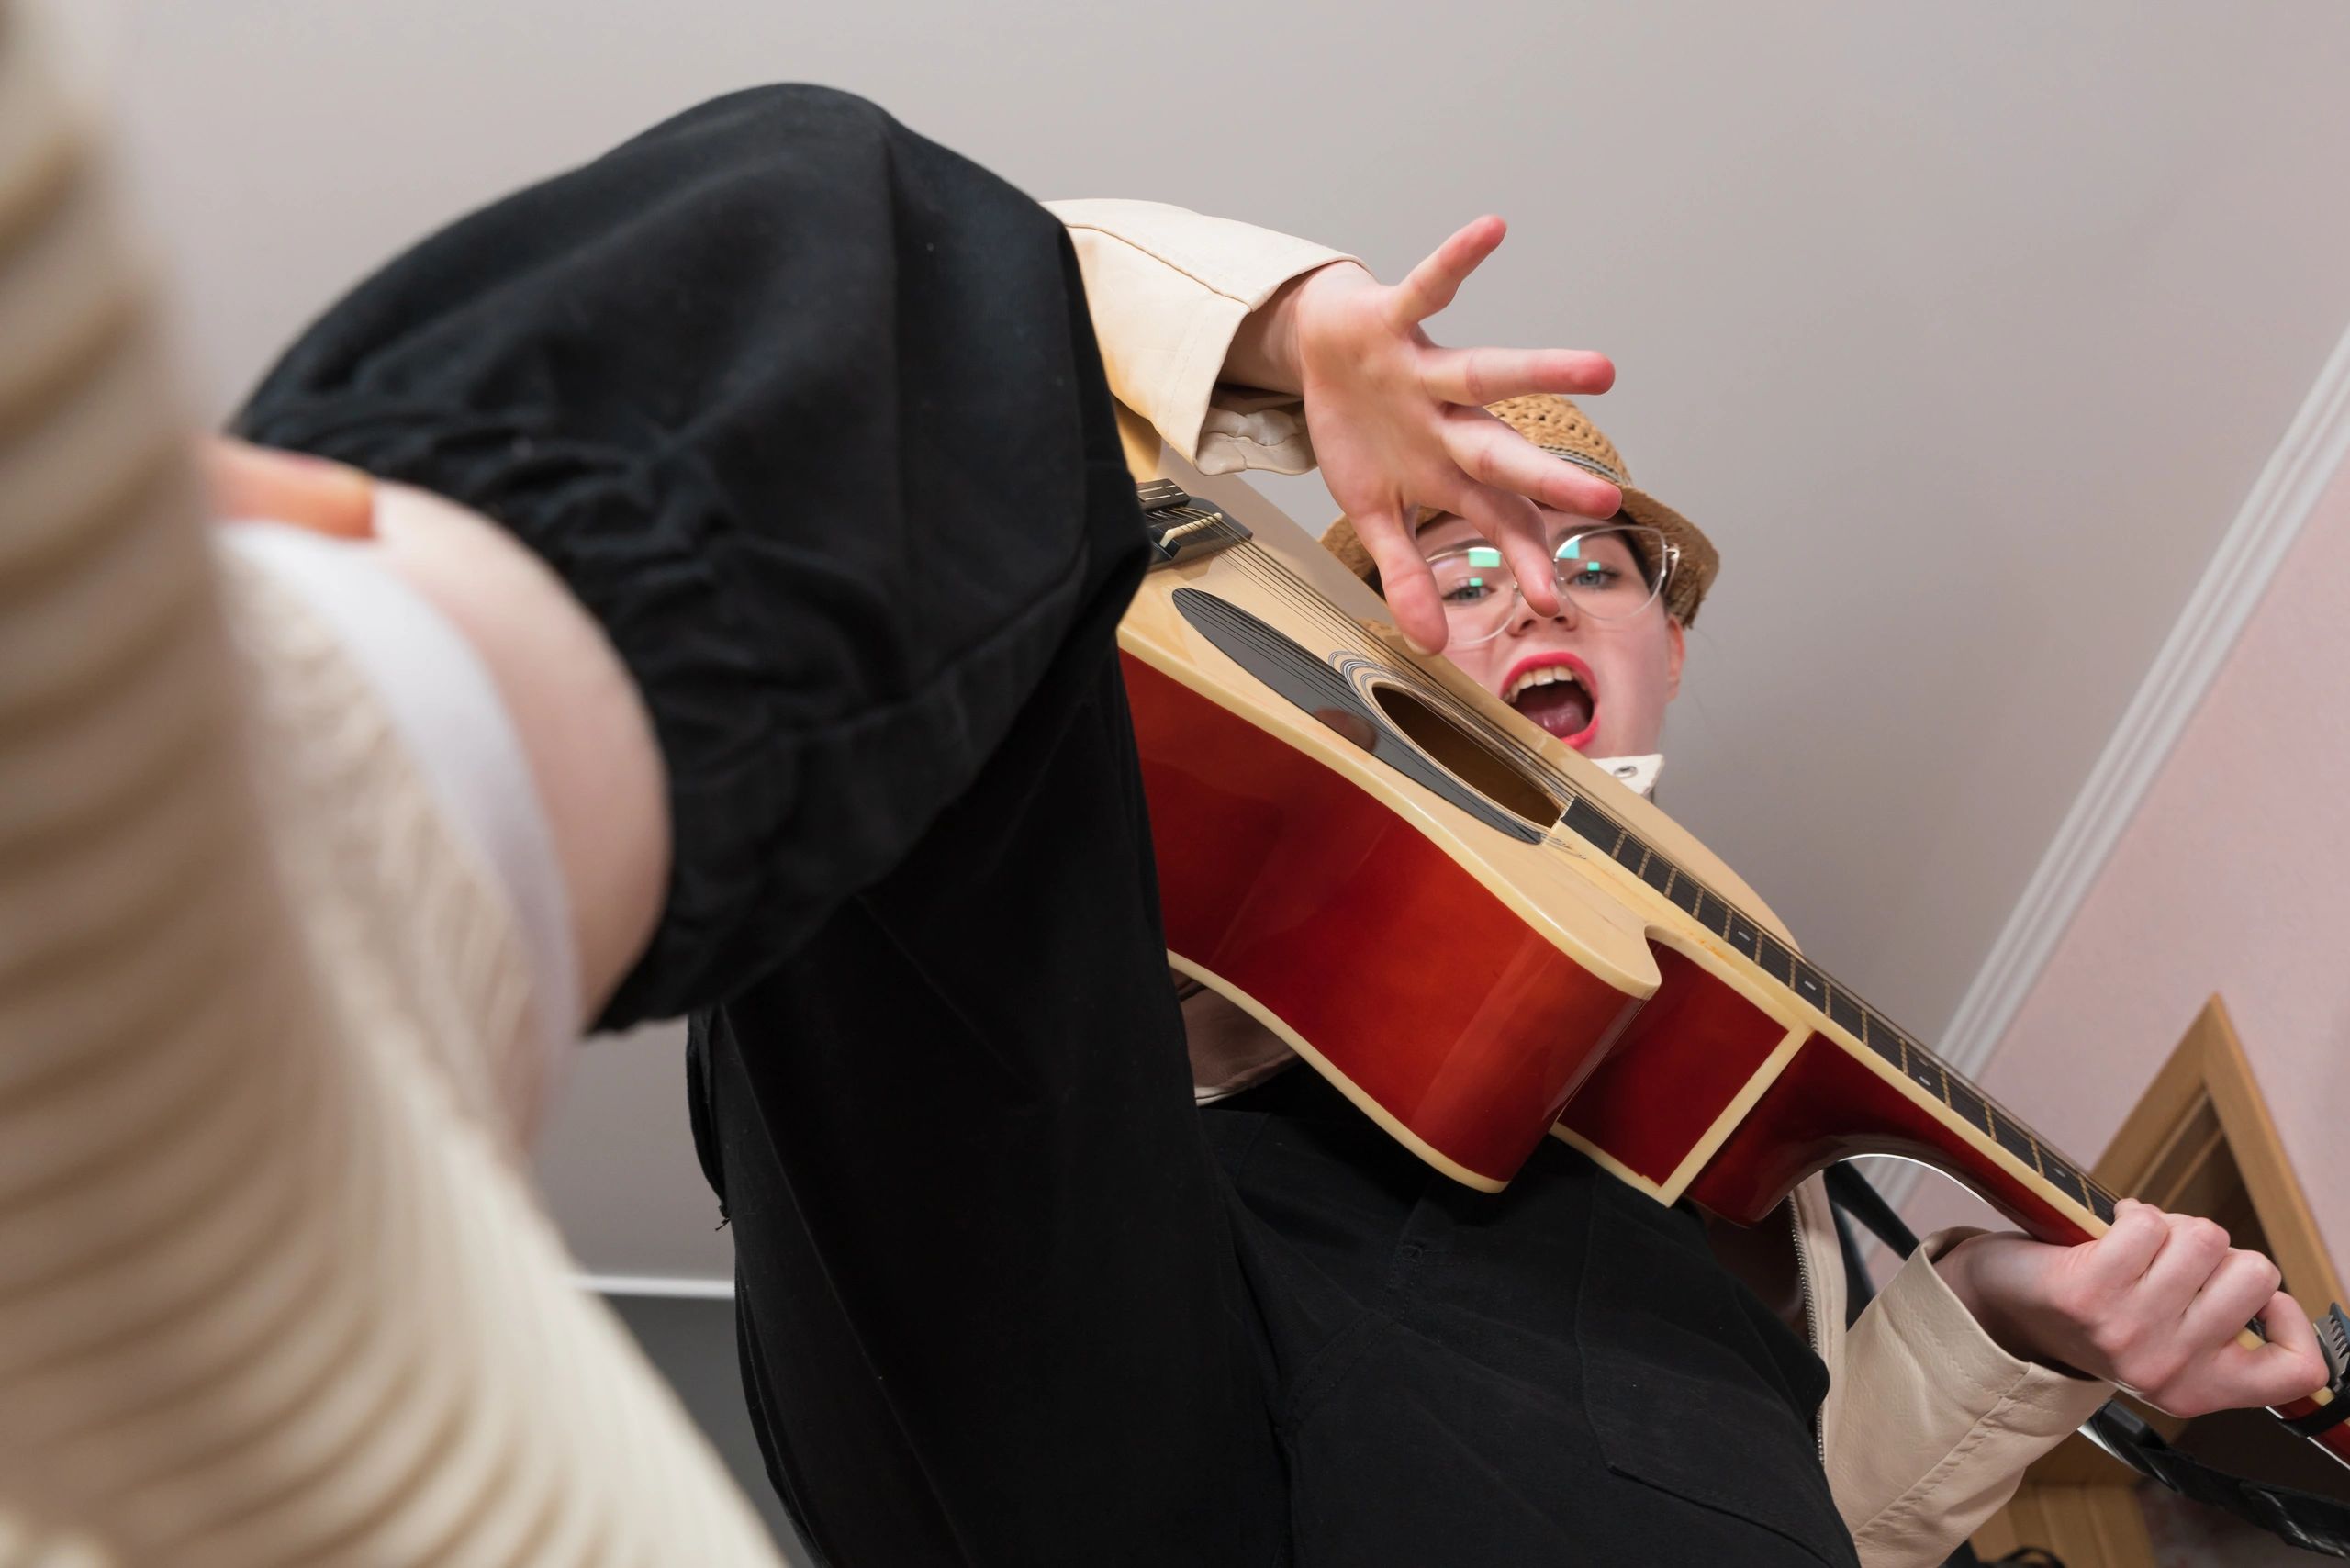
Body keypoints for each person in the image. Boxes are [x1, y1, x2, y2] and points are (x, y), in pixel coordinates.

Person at [19, 70, 2323, 1568]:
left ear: (1664, 658)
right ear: (1369, 602)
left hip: (1583, 1502)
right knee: (862, 212)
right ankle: (307, 872)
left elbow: (1821, 1506)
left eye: (1600, 563)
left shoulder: (1770, 1131)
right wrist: (1279, 335)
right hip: (1094, 1295)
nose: (1538, 574)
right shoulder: (1255, 725)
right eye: (1474, 544)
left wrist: (2011, 1311)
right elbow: (993, 352)